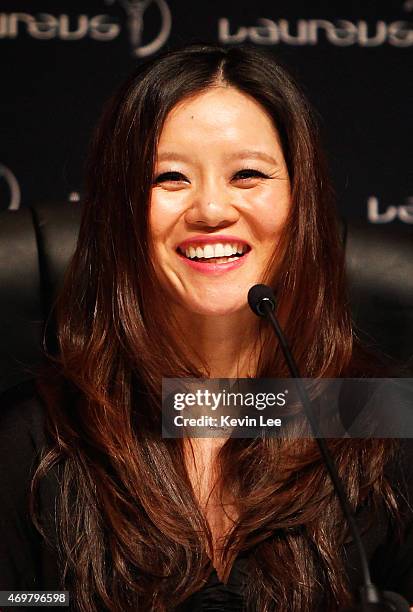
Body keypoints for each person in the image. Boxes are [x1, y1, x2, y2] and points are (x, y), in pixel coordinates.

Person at [0, 43, 412, 612]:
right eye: (170, 178)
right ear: (117, 209)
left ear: (301, 201)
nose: (211, 209)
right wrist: (49, 603)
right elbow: (15, 598)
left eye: (247, 174)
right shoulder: (33, 436)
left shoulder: (375, 420)